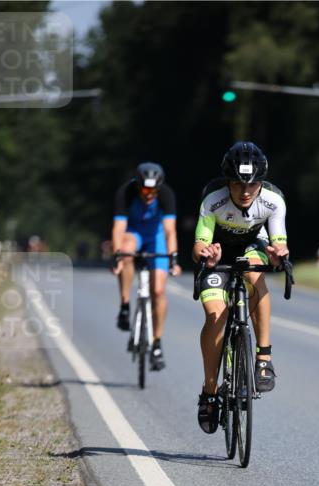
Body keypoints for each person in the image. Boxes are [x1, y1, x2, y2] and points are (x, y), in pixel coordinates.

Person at [192, 141, 289, 433]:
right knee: (214, 315)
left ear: (261, 183)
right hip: (217, 256)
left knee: (254, 274)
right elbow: (199, 245)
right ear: (227, 181)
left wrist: (278, 254)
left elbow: (279, 242)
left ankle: (263, 357)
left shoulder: (273, 201)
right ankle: (210, 391)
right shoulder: (213, 200)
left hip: (252, 247)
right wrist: (207, 254)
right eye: (237, 184)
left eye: (252, 185)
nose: (245, 192)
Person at [112, 162, 181, 370]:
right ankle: (124, 305)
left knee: (158, 291)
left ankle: (157, 342)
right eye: (145, 189)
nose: (149, 194)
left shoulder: (167, 195)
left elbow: (170, 231)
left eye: (153, 191)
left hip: (156, 237)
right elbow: (118, 228)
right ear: (138, 185)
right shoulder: (126, 192)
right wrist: (117, 256)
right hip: (134, 233)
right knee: (125, 251)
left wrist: (173, 259)